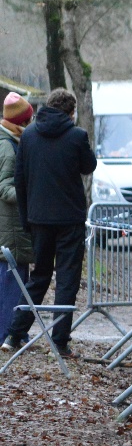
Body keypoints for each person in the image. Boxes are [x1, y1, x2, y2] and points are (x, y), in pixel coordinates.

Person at [5, 88, 97, 356]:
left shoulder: (29, 135)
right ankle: (59, 340)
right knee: (67, 279)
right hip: (70, 220)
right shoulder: (77, 135)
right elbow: (88, 166)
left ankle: (15, 333)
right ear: (71, 111)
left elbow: (19, 181)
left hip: (38, 219)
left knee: (39, 276)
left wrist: (26, 218)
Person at [0, 92, 35, 352]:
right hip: (10, 225)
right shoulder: (8, 147)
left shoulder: (9, 140)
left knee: (14, 277)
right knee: (15, 279)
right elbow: (4, 187)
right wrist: (29, 196)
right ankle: (7, 334)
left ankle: (15, 334)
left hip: (9, 225)